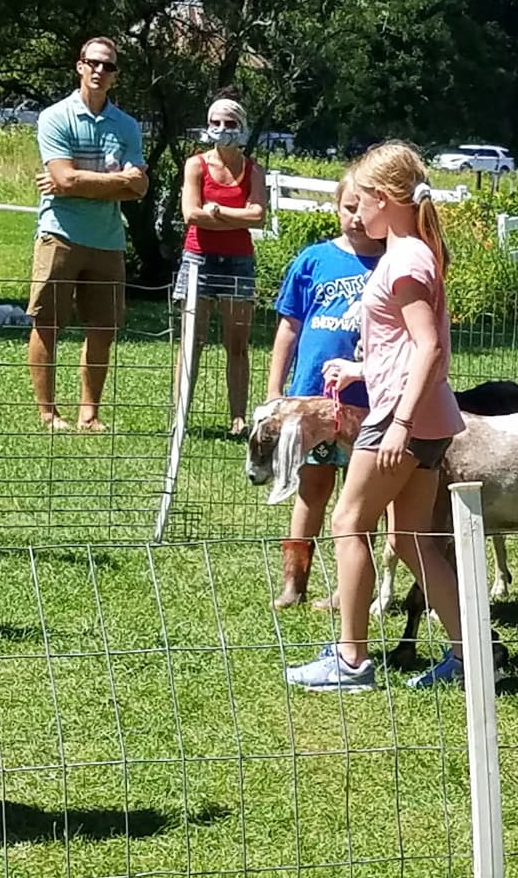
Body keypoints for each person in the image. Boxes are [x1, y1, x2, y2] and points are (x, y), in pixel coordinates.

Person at [285, 142, 467, 691]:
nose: (355, 212)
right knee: (413, 540)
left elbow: (430, 348)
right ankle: (474, 655)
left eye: (361, 201)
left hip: (401, 422)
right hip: (430, 419)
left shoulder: (406, 258)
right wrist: (360, 369)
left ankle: (351, 660)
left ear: (385, 200)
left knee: (348, 522)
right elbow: (406, 349)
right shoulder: (415, 252)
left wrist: (400, 424)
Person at [265, 174, 382, 609]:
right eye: (348, 206)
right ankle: (294, 583)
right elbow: (289, 327)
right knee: (310, 492)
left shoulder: (392, 264)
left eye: (363, 208)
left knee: (360, 501)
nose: (355, 216)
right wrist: (276, 389)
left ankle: (348, 589)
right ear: (337, 206)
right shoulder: (314, 260)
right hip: (313, 401)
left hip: (367, 406)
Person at [27, 36, 147, 433]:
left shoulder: (127, 125)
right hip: (58, 234)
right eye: (93, 62)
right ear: (79, 66)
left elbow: (140, 188)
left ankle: (89, 415)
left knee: (103, 330)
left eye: (108, 66)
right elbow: (63, 175)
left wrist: (75, 182)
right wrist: (114, 182)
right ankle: (48, 414)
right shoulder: (55, 117)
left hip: (108, 240)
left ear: (115, 75)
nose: (99, 70)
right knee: (48, 324)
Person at [175, 91, 267, 437]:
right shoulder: (196, 165)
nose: (222, 129)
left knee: (237, 344)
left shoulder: (252, 169)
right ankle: (180, 414)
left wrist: (218, 211)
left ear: (241, 127)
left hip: (238, 262)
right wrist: (236, 216)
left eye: (229, 124)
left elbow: (258, 216)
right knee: (191, 342)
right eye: (215, 123)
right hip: (198, 258)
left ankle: (238, 418)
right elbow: (191, 214)